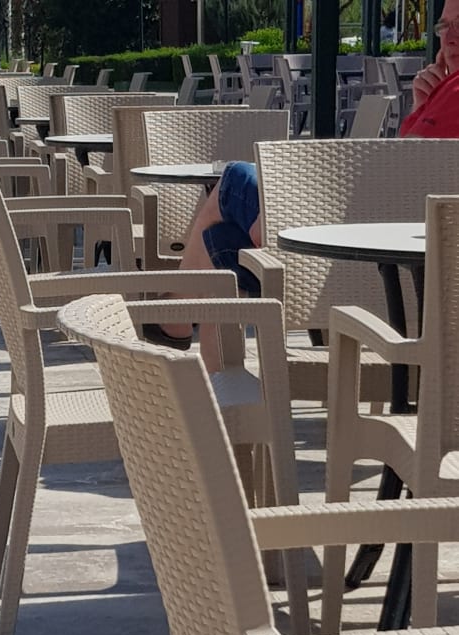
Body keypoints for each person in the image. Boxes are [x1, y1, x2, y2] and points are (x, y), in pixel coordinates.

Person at [150, 0, 459, 363]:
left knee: (233, 180)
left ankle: (178, 312)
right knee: (222, 240)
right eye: (444, 26)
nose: (450, 37)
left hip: (360, 258)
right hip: (401, 266)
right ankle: (208, 363)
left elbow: (402, 173)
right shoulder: (443, 89)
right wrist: (422, 104)